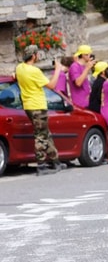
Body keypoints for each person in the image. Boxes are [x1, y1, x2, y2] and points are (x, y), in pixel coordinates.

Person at [15, 45, 67, 175]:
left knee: (45, 133)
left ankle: (56, 161)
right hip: (37, 106)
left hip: (28, 106)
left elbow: (14, 75)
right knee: (40, 136)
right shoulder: (34, 71)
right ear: (33, 56)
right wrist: (57, 70)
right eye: (37, 54)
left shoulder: (19, 68)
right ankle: (41, 165)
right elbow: (52, 85)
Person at [68, 44, 95, 108]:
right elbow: (78, 83)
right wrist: (87, 68)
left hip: (86, 101)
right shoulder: (75, 66)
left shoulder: (84, 66)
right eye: (88, 54)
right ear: (83, 55)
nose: (90, 56)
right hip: (79, 103)